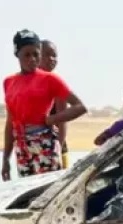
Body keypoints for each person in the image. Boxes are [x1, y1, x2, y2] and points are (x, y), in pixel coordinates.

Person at [2, 29, 87, 181]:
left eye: (36, 54)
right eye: (27, 55)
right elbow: (10, 123)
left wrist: (51, 120)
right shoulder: (9, 82)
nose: (32, 59)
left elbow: (80, 107)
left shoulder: (50, 79)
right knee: (25, 192)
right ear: (17, 55)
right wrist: (5, 160)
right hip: (21, 145)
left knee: (47, 189)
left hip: (45, 143)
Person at [39, 39, 70, 169]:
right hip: (31, 149)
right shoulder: (25, 84)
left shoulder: (56, 84)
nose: (51, 58)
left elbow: (63, 121)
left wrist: (57, 148)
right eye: (46, 54)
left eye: (54, 55)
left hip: (54, 147)